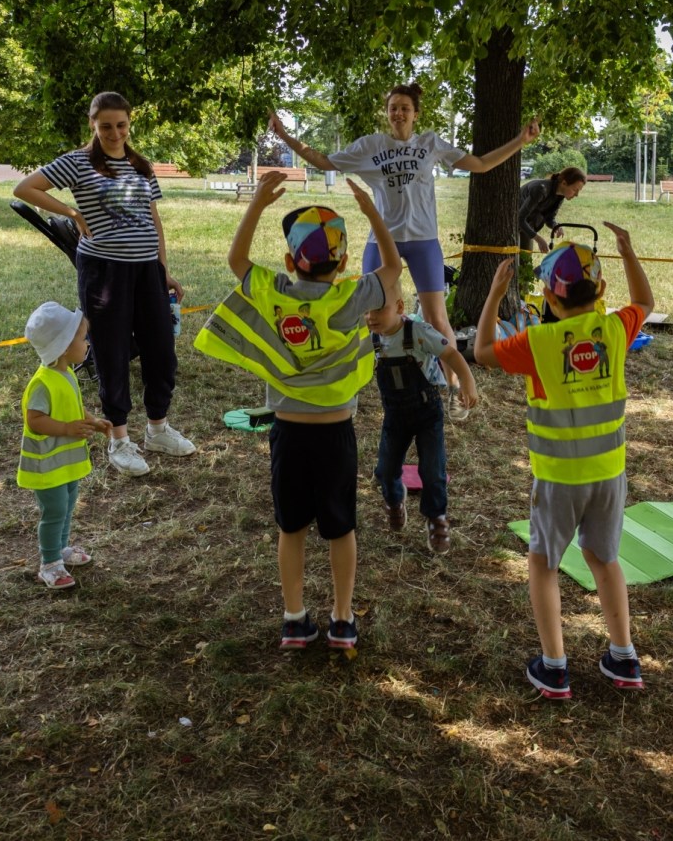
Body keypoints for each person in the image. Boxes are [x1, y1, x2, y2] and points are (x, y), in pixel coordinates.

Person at [194, 170, 402, 651]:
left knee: (291, 528)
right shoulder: (352, 295)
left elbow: (237, 260)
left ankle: (294, 619)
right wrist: (373, 213)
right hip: (336, 436)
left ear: (290, 261)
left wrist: (257, 205)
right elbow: (393, 267)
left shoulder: (275, 293)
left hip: (287, 434)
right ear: (344, 262)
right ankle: (343, 619)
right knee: (341, 528)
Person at [269, 84, 539, 414]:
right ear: (387, 113)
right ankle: (345, 385)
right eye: (393, 107)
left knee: (437, 319)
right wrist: (285, 136)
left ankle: (453, 387)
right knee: (367, 315)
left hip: (424, 241)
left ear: (415, 114)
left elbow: (480, 164)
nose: (398, 113)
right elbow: (323, 161)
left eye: (405, 108)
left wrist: (520, 141)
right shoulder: (371, 146)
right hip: (383, 241)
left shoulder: (430, 143)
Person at [473, 223, 653, 699]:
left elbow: (482, 352)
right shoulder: (616, 329)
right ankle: (624, 657)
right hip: (609, 475)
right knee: (605, 560)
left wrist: (494, 296)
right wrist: (627, 252)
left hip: (557, 479)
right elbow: (645, 302)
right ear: (601, 290)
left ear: (550, 299)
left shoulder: (539, 343)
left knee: (543, 563)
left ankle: (554, 668)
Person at [13, 92, 195, 476]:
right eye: (106, 126)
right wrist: (72, 212)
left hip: (146, 270)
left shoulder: (140, 165)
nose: (115, 133)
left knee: (161, 350)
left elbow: (153, 219)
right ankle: (119, 440)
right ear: (93, 125)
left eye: (121, 125)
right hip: (104, 271)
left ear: (130, 123)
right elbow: (26, 188)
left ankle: (158, 429)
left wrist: (163, 270)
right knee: (112, 353)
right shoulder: (78, 162)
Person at [366, 282, 478, 554]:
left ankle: (436, 518)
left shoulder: (418, 332)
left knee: (433, 471)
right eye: (366, 311)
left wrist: (467, 381)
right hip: (394, 416)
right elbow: (346, 360)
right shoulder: (371, 339)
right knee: (385, 470)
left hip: (428, 413)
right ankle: (394, 500)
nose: (371, 317)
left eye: (378, 310)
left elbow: (450, 353)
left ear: (399, 307)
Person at [17, 302, 112, 589]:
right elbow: (35, 420)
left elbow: (74, 406)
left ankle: (61, 550)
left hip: (64, 465)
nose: (87, 344)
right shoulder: (42, 383)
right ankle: (49, 564)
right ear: (63, 347)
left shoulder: (67, 373)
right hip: (46, 466)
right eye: (82, 339)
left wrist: (93, 421)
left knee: (68, 506)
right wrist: (66, 429)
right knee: (55, 511)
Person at [519, 166, 587, 254]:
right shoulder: (541, 189)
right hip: (513, 223)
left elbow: (549, 218)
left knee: (525, 258)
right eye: (575, 190)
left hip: (527, 225)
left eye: (579, 191)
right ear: (564, 183)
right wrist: (538, 239)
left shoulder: (560, 196)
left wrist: (556, 226)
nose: (577, 195)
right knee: (512, 256)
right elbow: (519, 218)